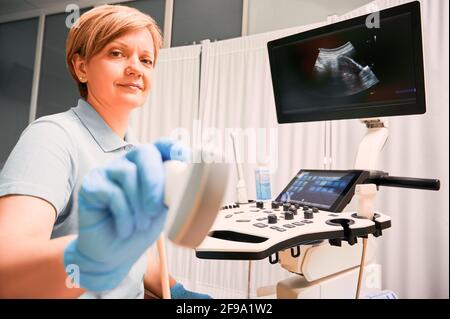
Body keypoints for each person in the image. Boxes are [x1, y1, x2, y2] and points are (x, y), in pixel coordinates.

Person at [0, 4, 210, 299]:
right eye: (117, 53)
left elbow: (139, 259)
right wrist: (99, 251)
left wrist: (180, 293)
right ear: (81, 67)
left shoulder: (133, 151)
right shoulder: (52, 137)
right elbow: (7, 275)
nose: (136, 67)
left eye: (146, 60)